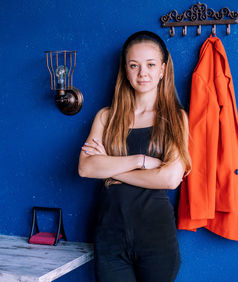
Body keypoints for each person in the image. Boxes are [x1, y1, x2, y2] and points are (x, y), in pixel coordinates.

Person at [78, 30, 191, 282]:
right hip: (110, 236)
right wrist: (142, 162)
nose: (143, 73)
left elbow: (171, 179)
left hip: (157, 238)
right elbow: (85, 168)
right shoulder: (106, 117)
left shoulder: (176, 118)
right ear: (125, 71)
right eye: (134, 65)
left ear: (163, 69)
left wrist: (109, 168)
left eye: (151, 65)